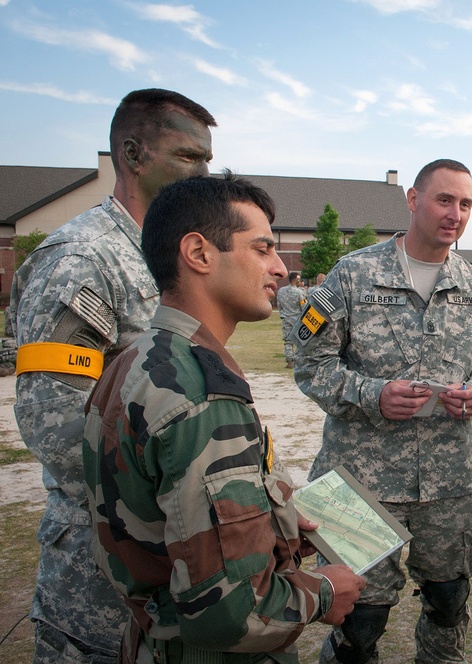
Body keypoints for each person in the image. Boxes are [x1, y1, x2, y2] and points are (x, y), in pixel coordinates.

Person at [81, 174, 365, 663]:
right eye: (261, 249)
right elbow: (231, 615)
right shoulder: (201, 392)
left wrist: (274, 516)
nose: (279, 268)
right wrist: (323, 593)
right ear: (199, 253)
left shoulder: (136, 361)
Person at [10, 88, 216, 663]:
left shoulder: (172, 254)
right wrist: (188, 482)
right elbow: (56, 430)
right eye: (188, 156)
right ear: (132, 154)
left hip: (170, 564)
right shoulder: (82, 259)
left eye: (208, 157)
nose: (205, 170)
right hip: (101, 579)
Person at [293, 158, 472, 664]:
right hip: (361, 484)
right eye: (444, 199)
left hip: (449, 486)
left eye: (466, 204)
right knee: (359, 620)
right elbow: (311, 368)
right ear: (413, 200)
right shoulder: (351, 275)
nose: (455, 213)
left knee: (448, 603)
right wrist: (374, 394)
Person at [277, 271, 308, 367]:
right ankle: (300, 361)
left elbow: (279, 305)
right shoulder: (299, 292)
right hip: (298, 320)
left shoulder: (281, 291)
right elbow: (304, 307)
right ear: (296, 280)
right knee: (301, 341)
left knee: (288, 341)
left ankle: (289, 361)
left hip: (286, 318)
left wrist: (283, 314)